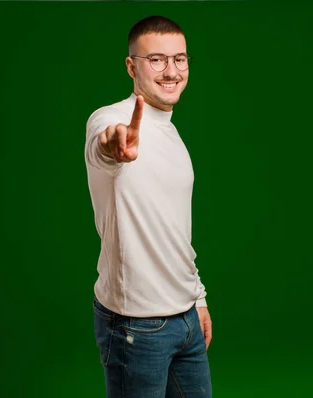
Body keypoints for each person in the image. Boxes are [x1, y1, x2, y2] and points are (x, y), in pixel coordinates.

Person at [83, 15, 212, 397]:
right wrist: (111, 147)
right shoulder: (112, 120)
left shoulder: (172, 133)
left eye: (180, 59)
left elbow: (174, 228)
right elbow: (103, 148)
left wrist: (198, 298)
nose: (171, 70)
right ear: (131, 66)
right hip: (136, 328)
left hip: (185, 319)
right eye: (156, 59)